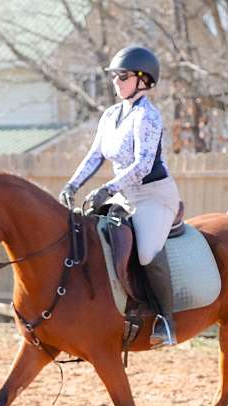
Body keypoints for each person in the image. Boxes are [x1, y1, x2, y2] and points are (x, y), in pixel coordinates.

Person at [59, 45, 180, 347]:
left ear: (143, 80)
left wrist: (106, 189)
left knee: (146, 253)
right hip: (123, 194)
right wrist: (72, 185)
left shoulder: (147, 116)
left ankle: (166, 320)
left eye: (122, 76)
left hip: (153, 195)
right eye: (114, 76)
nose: (115, 81)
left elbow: (141, 165)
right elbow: (94, 155)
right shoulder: (111, 114)